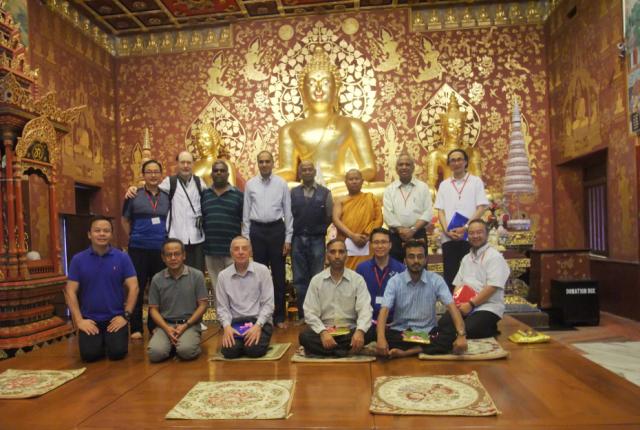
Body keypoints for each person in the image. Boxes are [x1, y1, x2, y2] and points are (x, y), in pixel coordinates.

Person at [277, 46, 377, 185]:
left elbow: (369, 169)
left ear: (336, 90)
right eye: (311, 83)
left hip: (342, 185)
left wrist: (346, 179)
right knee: (287, 189)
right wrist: (265, 178)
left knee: (381, 190)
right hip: (307, 186)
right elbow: (288, 171)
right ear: (302, 91)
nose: (318, 89)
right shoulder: (289, 130)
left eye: (325, 83)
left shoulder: (353, 125)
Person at [376, 240, 468, 358]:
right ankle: (422, 349)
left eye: (420, 257)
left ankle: (407, 352)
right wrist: (381, 339)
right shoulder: (395, 281)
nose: (416, 261)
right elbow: (384, 310)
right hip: (402, 332)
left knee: (449, 336)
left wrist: (461, 335)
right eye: (411, 257)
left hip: (427, 332)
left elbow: (452, 307)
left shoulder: (436, 280)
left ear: (426, 260)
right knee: (378, 333)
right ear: (405, 261)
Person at [64, 217, 139, 362]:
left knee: (117, 354)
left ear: (111, 234)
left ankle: (108, 341)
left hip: (115, 318)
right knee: (90, 356)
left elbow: (134, 287)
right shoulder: (78, 260)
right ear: (89, 234)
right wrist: (79, 321)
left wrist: (126, 316)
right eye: (97, 230)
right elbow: (70, 291)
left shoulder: (122, 258)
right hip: (90, 320)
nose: (102, 234)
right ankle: (99, 342)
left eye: (106, 231)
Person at [242, 151, 293, 328]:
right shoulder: (250, 184)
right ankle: (261, 317)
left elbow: (288, 213)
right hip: (257, 231)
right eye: (261, 161)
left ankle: (279, 317)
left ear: (273, 163)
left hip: (276, 230)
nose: (264, 164)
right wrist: (247, 239)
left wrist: (288, 238)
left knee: (278, 276)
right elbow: (246, 214)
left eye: (267, 161)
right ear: (257, 164)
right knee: (258, 276)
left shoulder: (281, 184)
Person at [299, 239, 374, 357]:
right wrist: (323, 332)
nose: (337, 256)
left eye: (341, 252)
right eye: (333, 252)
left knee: (370, 331)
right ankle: (346, 352)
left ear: (346, 255)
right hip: (326, 331)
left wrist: (359, 332)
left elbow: (365, 309)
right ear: (327, 255)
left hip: (350, 331)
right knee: (304, 337)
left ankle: (329, 351)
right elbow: (309, 312)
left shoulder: (357, 279)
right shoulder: (317, 280)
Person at [121, 159, 169, 339]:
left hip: (160, 249)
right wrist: (133, 237)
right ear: (143, 175)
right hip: (138, 249)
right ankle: (135, 328)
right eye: (149, 171)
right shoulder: (133, 195)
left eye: (156, 171)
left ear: (161, 174)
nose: (153, 175)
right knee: (137, 287)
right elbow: (125, 220)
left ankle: (154, 325)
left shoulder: (166, 196)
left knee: (158, 288)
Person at [444, 219, 510, 339]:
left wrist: (471, 304)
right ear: (467, 235)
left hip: (488, 306)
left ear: (487, 234)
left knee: (469, 329)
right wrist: (457, 305)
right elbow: (458, 284)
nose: (475, 236)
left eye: (479, 232)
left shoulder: (495, 257)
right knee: (444, 324)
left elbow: (492, 287)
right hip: (464, 305)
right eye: (471, 233)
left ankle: (490, 327)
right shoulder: (466, 258)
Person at [434, 148, 489, 290]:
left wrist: (466, 227)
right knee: (451, 276)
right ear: (449, 164)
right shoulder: (444, 185)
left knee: (471, 275)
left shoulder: (476, 182)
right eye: (453, 160)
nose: (456, 163)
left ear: (466, 162)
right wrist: (446, 230)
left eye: (459, 159)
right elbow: (440, 210)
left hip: (470, 237)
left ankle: (470, 307)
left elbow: (481, 207)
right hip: (449, 237)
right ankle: (452, 309)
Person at [147, 239, 208, 362]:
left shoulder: (196, 275)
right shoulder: (157, 279)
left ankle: (181, 344)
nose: (173, 258)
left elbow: (203, 305)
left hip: (189, 324)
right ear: (163, 258)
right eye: (169, 255)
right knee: (155, 354)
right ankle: (171, 344)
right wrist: (166, 328)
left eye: (177, 254)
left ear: (184, 255)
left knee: (186, 351)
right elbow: (153, 309)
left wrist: (186, 325)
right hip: (166, 325)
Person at [216, 236, 275, 359]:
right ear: (231, 253)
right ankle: (241, 344)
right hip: (236, 323)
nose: (241, 252)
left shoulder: (262, 271)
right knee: (229, 352)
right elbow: (222, 307)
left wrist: (258, 326)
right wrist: (226, 327)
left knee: (254, 350)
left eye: (244, 248)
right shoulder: (223, 276)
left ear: (250, 252)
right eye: (236, 249)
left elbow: (269, 304)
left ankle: (249, 343)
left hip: (259, 322)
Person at [290, 160, 333, 324]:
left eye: (310, 169)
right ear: (300, 173)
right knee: (300, 280)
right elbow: (288, 215)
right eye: (303, 170)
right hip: (297, 239)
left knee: (317, 279)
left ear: (315, 172)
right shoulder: (292, 193)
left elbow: (329, 216)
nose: (307, 172)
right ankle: (304, 315)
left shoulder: (325, 192)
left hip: (317, 239)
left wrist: (318, 228)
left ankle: (317, 315)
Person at [201, 159, 243, 300]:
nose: (219, 173)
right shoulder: (204, 195)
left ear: (228, 174)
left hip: (232, 251)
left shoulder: (238, 195)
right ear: (211, 174)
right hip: (211, 250)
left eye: (222, 170)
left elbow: (244, 221)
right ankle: (223, 321)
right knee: (217, 287)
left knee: (235, 287)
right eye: (215, 170)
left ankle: (237, 319)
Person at [383, 154, 433, 262]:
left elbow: (428, 212)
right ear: (396, 169)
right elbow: (388, 213)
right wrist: (401, 230)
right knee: (396, 268)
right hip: (396, 235)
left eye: (407, 164)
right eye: (401, 165)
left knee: (418, 267)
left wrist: (412, 230)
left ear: (413, 168)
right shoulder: (389, 189)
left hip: (418, 233)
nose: (404, 167)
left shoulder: (423, 187)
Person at [332, 169, 383, 270]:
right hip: (346, 240)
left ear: (362, 181)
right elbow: (335, 219)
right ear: (345, 182)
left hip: (366, 241)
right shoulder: (340, 200)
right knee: (347, 272)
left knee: (366, 270)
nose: (354, 181)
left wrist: (368, 236)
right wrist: (352, 236)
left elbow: (379, 219)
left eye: (357, 179)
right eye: (351, 179)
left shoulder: (371, 198)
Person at [355, 227, 405, 322]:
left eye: (384, 242)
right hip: (368, 322)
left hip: (394, 322)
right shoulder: (361, 269)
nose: (380, 246)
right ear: (371, 245)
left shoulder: (401, 269)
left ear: (390, 245)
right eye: (376, 242)